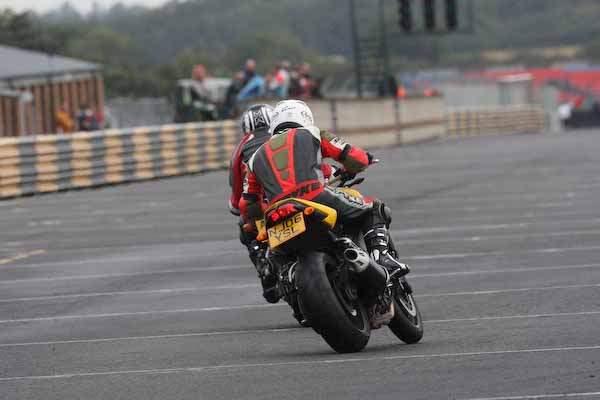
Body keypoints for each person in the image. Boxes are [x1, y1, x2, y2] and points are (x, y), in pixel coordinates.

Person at [242, 100, 410, 328]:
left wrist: (257, 221)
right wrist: (363, 161)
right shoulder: (312, 133)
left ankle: (291, 283)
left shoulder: (254, 158)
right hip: (315, 195)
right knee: (373, 208)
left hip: (277, 212)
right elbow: (354, 158)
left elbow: (249, 203)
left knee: (277, 256)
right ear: (305, 117)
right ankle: (383, 259)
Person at [228, 104, 276, 302]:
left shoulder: (241, 149)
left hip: (257, 204)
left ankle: (263, 266)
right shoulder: (287, 135)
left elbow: (236, 190)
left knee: (246, 227)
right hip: (293, 194)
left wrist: (234, 204)